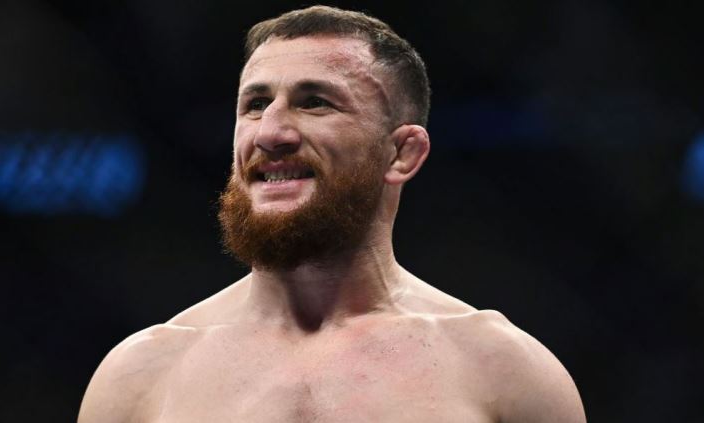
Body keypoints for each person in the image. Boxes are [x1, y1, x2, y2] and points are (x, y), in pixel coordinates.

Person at [78, 5, 586, 422]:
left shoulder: (501, 371)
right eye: (255, 104)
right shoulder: (142, 375)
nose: (270, 132)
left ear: (401, 153)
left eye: (315, 102)